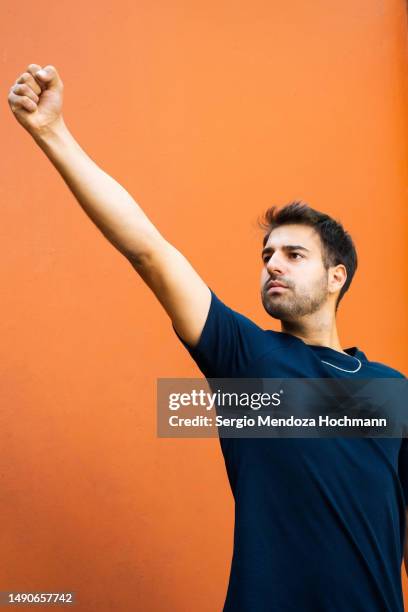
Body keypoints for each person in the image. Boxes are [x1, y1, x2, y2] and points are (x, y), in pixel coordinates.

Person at [8, 64, 408, 612]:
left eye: (294, 255)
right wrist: (51, 131)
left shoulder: (391, 391)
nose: (273, 265)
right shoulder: (247, 357)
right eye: (267, 256)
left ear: (337, 276)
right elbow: (148, 250)